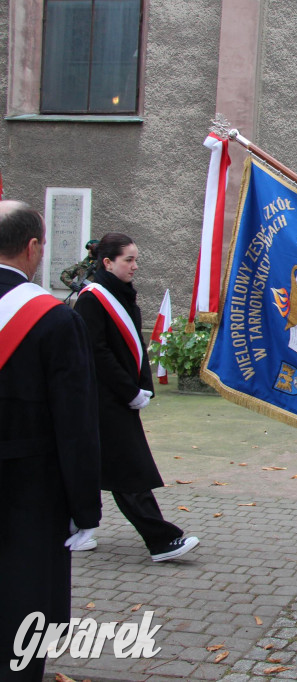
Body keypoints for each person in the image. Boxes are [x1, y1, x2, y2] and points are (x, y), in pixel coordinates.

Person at [0, 200, 102, 682]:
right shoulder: (55, 319)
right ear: (34, 247)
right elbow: (75, 424)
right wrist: (85, 511)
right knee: (22, 621)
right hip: (29, 494)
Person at [74, 233, 200, 562]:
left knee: (95, 467)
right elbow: (97, 353)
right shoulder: (93, 298)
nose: (135, 266)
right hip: (103, 400)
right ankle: (160, 541)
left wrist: (142, 386)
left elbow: (132, 349)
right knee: (128, 470)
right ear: (107, 262)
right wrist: (129, 390)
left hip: (118, 398)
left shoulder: (121, 294)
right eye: (128, 259)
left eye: (136, 259)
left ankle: (75, 527)